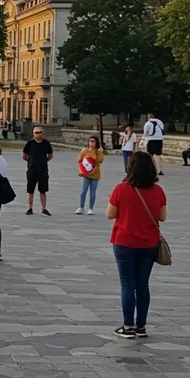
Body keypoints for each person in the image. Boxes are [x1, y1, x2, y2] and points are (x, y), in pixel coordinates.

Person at [106, 152, 165, 339]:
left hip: (124, 241)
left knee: (127, 284)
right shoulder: (158, 191)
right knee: (142, 284)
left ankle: (128, 326)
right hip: (149, 243)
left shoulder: (120, 189)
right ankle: (141, 325)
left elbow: (110, 214)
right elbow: (162, 216)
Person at [22, 127, 53, 216]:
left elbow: (50, 155)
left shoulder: (46, 143)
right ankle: (30, 208)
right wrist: (30, 161)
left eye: (40, 132)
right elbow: (24, 155)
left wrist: (44, 161)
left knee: (43, 190)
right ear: (33, 133)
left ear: (42, 133)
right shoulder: (30, 143)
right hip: (32, 170)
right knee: (30, 190)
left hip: (43, 170)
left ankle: (44, 208)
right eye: (36, 132)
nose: (38, 134)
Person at [75, 136, 105, 216]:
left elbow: (100, 161)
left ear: (96, 143)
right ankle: (81, 207)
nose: (92, 142)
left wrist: (97, 153)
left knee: (92, 192)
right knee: (83, 191)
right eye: (90, 141)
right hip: (86, 174)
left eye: (93, 141)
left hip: (95, 173)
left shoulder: (99, 152)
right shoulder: (85, 151)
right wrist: (82, 152)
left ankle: (90, 208)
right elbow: (79, 160)